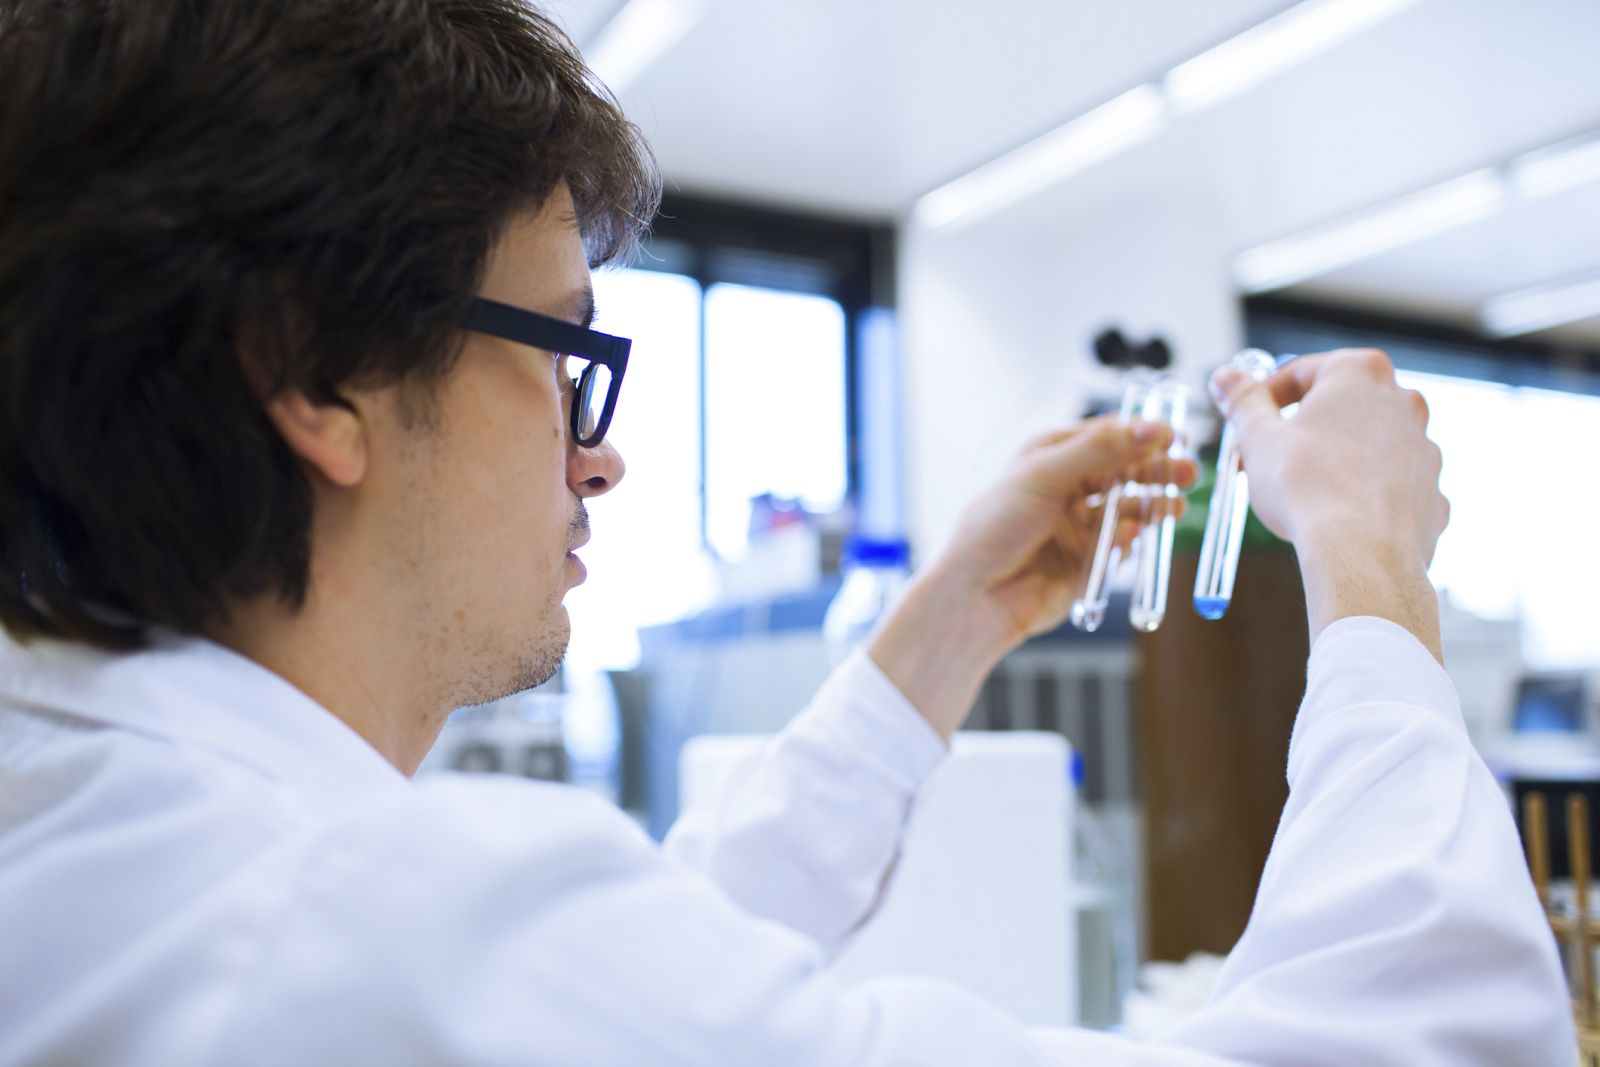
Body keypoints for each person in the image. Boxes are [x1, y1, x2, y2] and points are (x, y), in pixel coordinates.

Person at [0, 1, 1568, 1064]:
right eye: (565, 358)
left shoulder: (100, 810)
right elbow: (1409, 1040)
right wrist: (1370, 568)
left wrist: (949, 617)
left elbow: (660, 977)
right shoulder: (356, 916)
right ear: (308, 371)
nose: (597, 461)